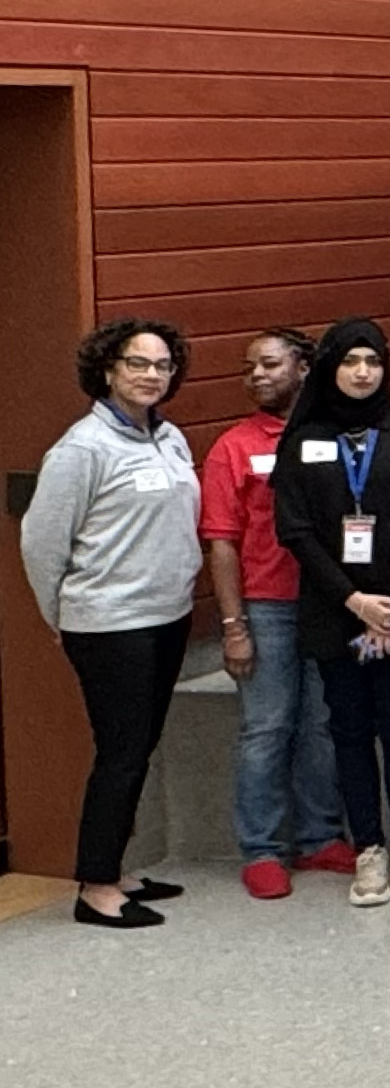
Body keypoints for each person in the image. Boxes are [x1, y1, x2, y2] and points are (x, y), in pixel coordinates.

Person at [24, 319, 200, 927]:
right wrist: (62, 616)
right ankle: (95, 887)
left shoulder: (169, 437)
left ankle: (117, 867)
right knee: (121, 752)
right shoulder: (81, 449)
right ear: (107, 370)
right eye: (137, 364)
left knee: (139, 747)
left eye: (162, 366)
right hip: (108, 623)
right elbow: (42, 543)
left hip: (166, 616)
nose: (151, 375)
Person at [267, 319, 390, 908]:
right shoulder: (304, 439)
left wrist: (387, 606)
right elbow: (295, 531)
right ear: (330, 369)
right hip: (333, 608)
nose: (363, 372)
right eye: (350, 361)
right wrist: (356, 603)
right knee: (347, 728)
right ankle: (368, 845)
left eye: (372, 360)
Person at [200, 328, 348, 899]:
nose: (256, 376)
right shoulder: (233, 447)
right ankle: (262, 849)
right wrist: (233, 626)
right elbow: (221, 542)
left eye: (268, 364)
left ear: (305, 368)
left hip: (331, 604)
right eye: (248, 368)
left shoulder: (334, 435)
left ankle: (319, 838)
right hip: (267, 607)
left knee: (322, 725)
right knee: (266, 728)